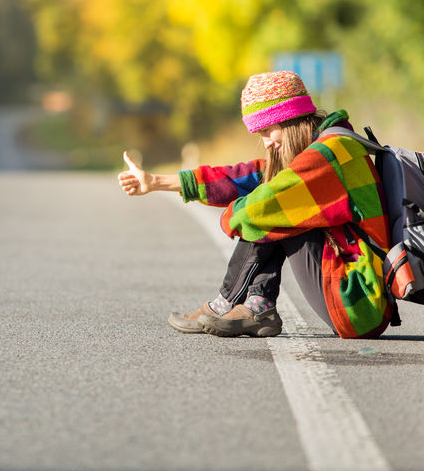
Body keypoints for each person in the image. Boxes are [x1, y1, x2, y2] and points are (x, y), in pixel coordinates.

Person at [117, 70, 395, 339]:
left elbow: (255, 210)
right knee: (272, 199)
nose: (265, 143)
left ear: (288, 119)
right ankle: (256, 306)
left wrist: (233, 216)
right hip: (361, 300)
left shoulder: (326, 156)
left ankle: (229, 303)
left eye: (267, 131)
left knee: (270, 208)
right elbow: (241, 176)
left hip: (357, 302)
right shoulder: (325, 145)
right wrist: (155, 181)